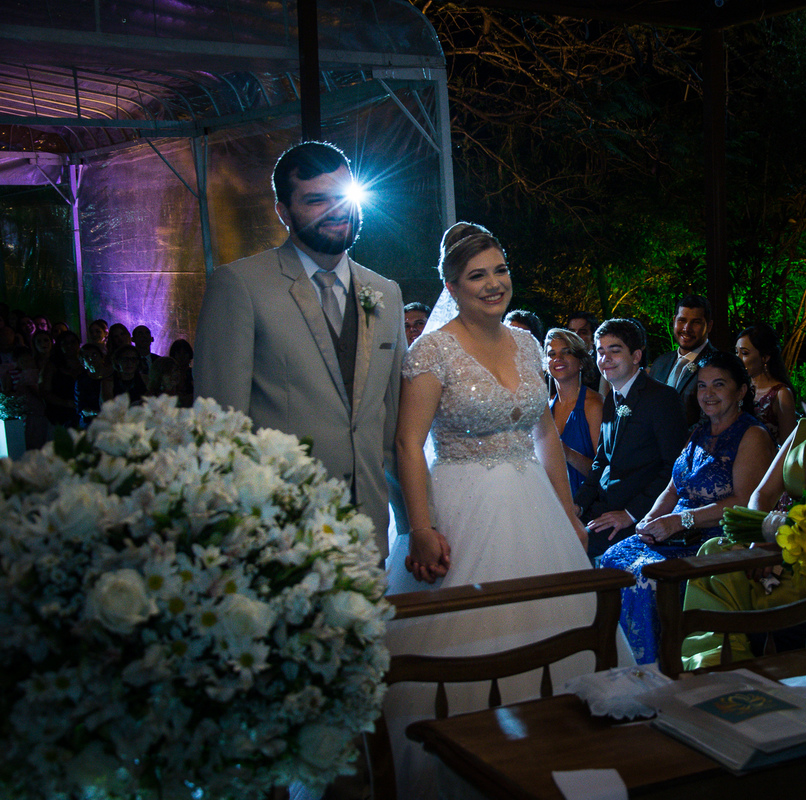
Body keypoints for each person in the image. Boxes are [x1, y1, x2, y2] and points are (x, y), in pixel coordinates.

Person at [387, 222, 621, 797]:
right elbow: (405, 444)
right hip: (463, 504)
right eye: (477, 275)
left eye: (499, 270)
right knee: (469, 637)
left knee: (563, 628)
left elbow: (544, 435)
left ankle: (559, 762)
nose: (493, 284)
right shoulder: (431, 352)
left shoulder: (524, 343)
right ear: (452, 284)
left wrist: (568, 513)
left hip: (535, 506)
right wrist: (421, 527)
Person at [194, 141, 405, 556]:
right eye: (315, 200)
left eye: (343, 196)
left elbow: (391, 422)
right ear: (283, 211)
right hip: (279, 527)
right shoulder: (240, 285)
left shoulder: (386, 292)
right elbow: (220, 425)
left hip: (370, 527)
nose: (336, 209)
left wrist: (417, 523)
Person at [681, 341, 806, 668]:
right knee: (714, 552)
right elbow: (762, 494)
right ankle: (718, 670)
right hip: (778, 543)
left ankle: (737, 668)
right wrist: (760, 540)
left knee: (747, 577)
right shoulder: (804, 428)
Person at [598, 350, 773, 664]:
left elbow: (744, 502)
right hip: (674, 531)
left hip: (712, 541)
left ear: (741, 391)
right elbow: (673, 486)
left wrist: (682, 520)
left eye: (718, 385)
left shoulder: (752, 435)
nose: (708, 394)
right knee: (612, 558)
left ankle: (657, 668)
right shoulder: (698, 432)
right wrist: (649, 519)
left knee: (645, 574)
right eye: (703, 386)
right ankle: (616, 663)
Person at [575, 318, 688, 560]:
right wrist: (578, 506)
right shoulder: (610, 399)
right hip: (601, 509)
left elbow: (674, 468)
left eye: (614, 351)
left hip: (637, 515)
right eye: (600, 352)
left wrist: (630, 513)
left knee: (573, 549)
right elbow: (601, 463)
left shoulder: (662, 399)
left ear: (636, 356)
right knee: (554, 534)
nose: (605, 359)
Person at [545, 328, 603, 495]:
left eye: (567, 352)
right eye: (551, 354)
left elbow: (604, 472)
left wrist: (568, 454)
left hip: (585, 504)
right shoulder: (545, 408)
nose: (558, 358)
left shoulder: (594, 405)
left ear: (582, 361)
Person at [647, 295, 717, 426]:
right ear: (674, 321)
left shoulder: (717, 365)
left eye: (695, 322)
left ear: (709, 326)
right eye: (682, 320)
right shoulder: (660, 363)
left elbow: (712, 420)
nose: (686, 328)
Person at [735, 323, 796, 446]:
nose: (738, 358)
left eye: (744, 353)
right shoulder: (738, 387)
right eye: (736, 352)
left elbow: (788, 447)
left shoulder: (781, 394)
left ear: (765, 357)